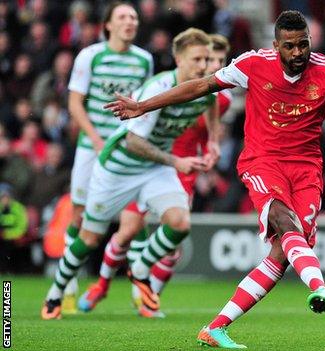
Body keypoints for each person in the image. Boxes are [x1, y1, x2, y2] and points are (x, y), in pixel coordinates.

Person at [105, 10, 325, 349]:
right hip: (262, 161)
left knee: (282, 255)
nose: (298, 53)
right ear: (276, 45)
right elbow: (201, 85)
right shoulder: (252, 63)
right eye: (290, 46)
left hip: (307, 169)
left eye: (303, 45)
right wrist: (144, 106)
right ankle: (320, 288)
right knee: (286, 222)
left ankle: (216, 328)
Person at [41, 27, 219, 321]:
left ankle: (139, 268)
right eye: (197, 59)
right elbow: (134, 142)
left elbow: (212, 104)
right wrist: (176, 161)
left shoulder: (203, 89)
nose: (203, 66)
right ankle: (56, 293)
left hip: (154, 169)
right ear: (178, 58)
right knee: (89, 238)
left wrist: (212, 143)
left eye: (206, 59)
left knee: (180, 222)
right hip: (118, 169)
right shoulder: (158, 88)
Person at [58, 1, 153, 314]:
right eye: (123, 17)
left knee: (136, 217)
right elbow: (75, 103)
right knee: (79, 215)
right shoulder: (90, 55)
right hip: (92, 146)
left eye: (134, 17)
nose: (130, 22)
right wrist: (97, 139)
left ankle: (142, 296)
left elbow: (142, 107)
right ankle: (67, 290)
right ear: (108, 24)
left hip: (125, 149)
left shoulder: (144, 60)